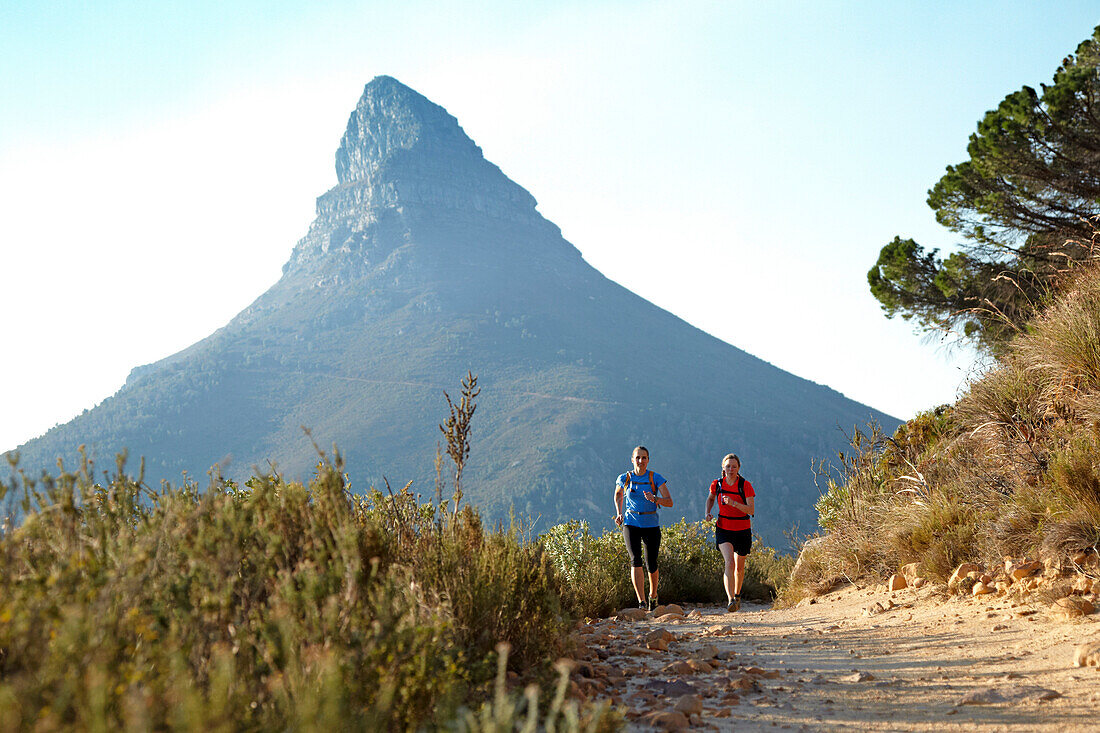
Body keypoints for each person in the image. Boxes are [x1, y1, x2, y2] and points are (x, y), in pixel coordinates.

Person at [614, 446, 673, 611]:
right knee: (635, 560)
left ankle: (653, 596)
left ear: (648, 460)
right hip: (631, 522)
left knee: (651, 563)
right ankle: (641, 602)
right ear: (632, 459)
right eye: (638, 457)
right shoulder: (625, 478)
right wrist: (619, 513)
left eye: (644, 458)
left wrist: (655, 499)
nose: (641, 461)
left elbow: (669, 501)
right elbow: (618, 494)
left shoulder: (655, 478)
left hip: (651, 524)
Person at [705, 453, 755, 612]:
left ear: (739, 468)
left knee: (739, 568)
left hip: (742, 529)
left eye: (734, 466)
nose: (731, 469)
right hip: (723, 528)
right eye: (728, 466)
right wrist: (707, 512)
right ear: (723, 468)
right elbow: (711, 498)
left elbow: (751, 509)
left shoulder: (745, 485)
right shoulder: (717, 484)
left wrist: (733, 503)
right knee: (730, 562)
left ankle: (737, 594)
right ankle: (731, 599)